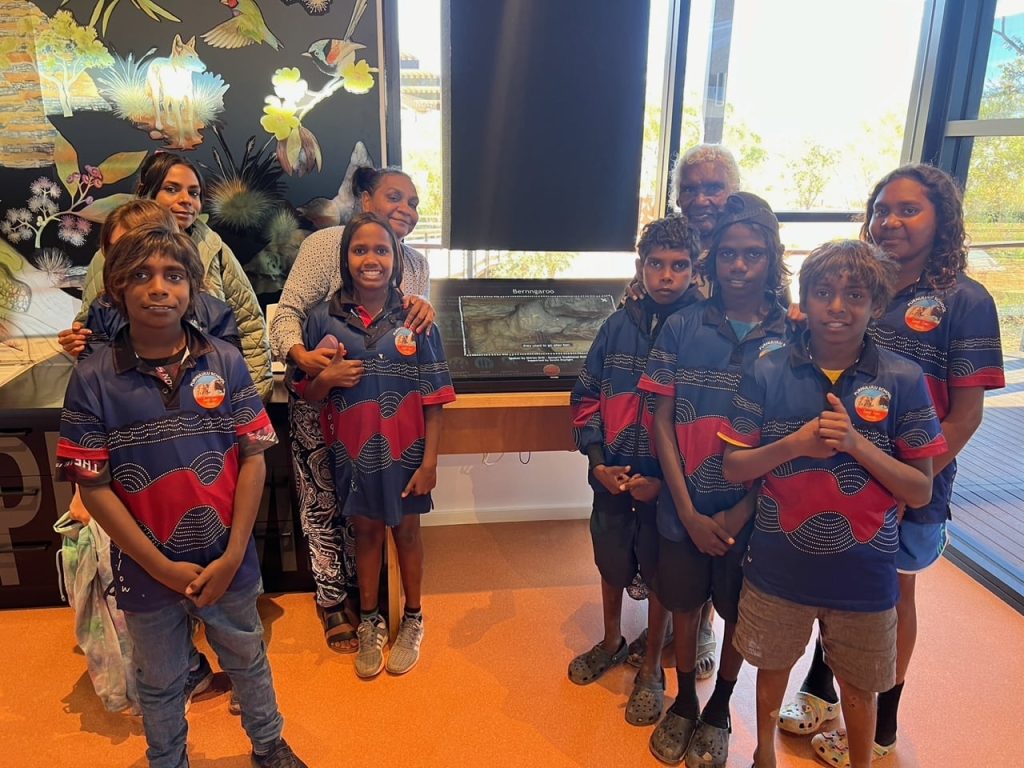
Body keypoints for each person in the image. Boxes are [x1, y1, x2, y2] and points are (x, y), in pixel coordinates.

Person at [779, 165, 1006, 766]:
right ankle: (822, 687)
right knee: (836, 581)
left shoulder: (966, 301)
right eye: (883, 209)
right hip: (836, 474)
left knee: (889, 598)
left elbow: (964, 416)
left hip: (909, 488)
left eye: (909, 210)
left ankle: (882, 728)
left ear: (942, 220)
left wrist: (906, 480)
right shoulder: (858, 285)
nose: (891, 221)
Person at [54, 225, 306, 768]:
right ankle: (167, 758)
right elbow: (92, 486)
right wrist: (161, 566)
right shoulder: (93, 379)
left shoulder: (226, 361)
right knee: (161, 679)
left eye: (173, 275)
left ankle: (270, 745)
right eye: (141, 275)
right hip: (145, 568)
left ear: (193, 287)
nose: (158, 288)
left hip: (228, 559)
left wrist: (236, 551)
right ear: (117, 287)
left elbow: (254, 457)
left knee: (247, 658)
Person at [719, 240, 948, 768]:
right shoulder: (768, 371)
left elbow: (920, 489)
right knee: (772, 664)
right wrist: (794, 446)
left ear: (876, 304)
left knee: (861, 683)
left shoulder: (903, 380)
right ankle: (763, 755)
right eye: (823, 293)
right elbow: (734, 466)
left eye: (855, 295)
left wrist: (857, 445)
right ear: (806, 298)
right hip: (779, 566)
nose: (837, 307)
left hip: (866, 575)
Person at [638, 193, 790, 767]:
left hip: (751, 514)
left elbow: (785, 434)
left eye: (753, 254)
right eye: (728, 253)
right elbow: (660, 420)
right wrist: (689, 511)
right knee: (682, 603)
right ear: (713, 257)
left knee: (737, 613)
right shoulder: (680, 326)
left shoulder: (792, 334)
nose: (739, 265)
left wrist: (737, 513)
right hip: (685, 507)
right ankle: (682, 702)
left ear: (772, 258)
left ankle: (721, 706)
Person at [270, 165, 434, 651]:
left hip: (383, 407)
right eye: (394, 197)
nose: (406, 208)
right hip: (322, 394)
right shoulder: (325, 246)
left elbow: (410, 326)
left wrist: (427, 309)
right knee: (326, 502)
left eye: (414, 201)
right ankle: (332, 599)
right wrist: (304, 360)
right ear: (366, 200)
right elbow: (290, 312)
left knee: (370, 510)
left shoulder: (417, 264)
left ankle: (375, 603)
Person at [294, 212, 454, 678]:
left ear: (396, 258)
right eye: (359, 250)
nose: (371, 259)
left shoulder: (416, 318)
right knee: (363, 535)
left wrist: (430, 462)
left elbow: (435, 399)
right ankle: (369, 620)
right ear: (345, 259)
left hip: (408, 457)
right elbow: (307, 391)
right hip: (353, 458)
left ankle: (414, 618)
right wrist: (326, 377)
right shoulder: (323, 319)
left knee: (407, 534)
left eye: (381, 250)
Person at [568, 214, 703, 726]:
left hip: (667, 487)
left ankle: (651, 668)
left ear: (694, 269)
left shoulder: (699, 331)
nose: (666, 276)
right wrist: (598, 460)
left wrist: (668, 482)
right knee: (610, 558)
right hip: (612, 477)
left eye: (678, 266)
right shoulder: (617, 325)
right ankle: (610, 638)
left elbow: (701, 420)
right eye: (656, 265)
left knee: (664, 572)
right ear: (641, 267)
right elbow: (585, 396)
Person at [626, 143, 742, 675]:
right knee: (669, 547)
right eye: (690, 187)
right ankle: (669, 627)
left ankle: (701, 635)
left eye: (713, 186)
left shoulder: (746, 242)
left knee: (715, 545)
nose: (701, 198)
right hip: (668, 419)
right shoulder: (668, 246)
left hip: (729, 423)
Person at [61, 152, 273, 400]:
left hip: (206, 395)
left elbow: (250, 326)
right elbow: (93, 323)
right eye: (172, 189)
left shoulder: (215, 250)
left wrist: (251, 398)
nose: (186, 200)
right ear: (147, 192)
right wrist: (80, 342)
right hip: (130, 396)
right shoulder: (108, 254)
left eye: (194, 193)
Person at [60, 199, 240, 358]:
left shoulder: (213, 313)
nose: (123, 259)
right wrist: (82, 346)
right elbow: (95, 381)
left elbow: (230, 376)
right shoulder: (104, 308)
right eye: (116, 249)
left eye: (135, 247)